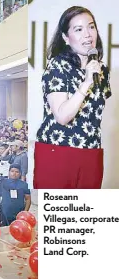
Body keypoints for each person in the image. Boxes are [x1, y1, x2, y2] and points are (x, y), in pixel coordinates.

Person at [34, 6, 111, 189]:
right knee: (60, 215)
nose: (87, 34)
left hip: (91, 152)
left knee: (86, 215)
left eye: (91, 27)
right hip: (59, 151)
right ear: (66, 38)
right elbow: (62, 116)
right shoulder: (58, 65)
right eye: (78, 29)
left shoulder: (101, 69)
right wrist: (85, 83)